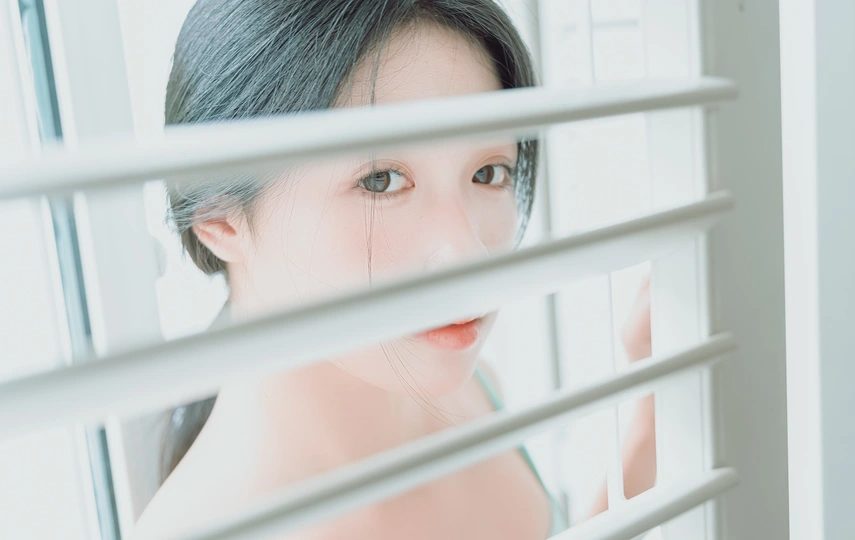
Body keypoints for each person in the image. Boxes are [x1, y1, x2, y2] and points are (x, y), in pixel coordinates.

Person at [133, 1, 655, 538]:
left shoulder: (471, 395)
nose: (467, 253)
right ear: (219, 217)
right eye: (380, 181)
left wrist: (653, 416)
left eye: (488, 172)